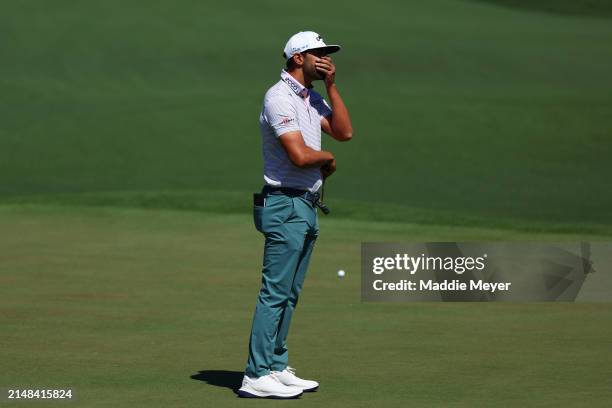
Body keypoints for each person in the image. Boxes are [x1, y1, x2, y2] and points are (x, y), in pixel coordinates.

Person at [238, 31, 353, 399]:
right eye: (318, 54)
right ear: (298, 57)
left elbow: (344, 132)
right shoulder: (279, 97)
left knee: (290, 294)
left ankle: (275, 365)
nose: (325, 59)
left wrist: (332, 86)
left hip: (303, 205)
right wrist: (328, 159)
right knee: (274, 293)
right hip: (284, 204)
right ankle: (255, 375)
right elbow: (300, 156)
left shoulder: (311, 98)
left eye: (327, 55)